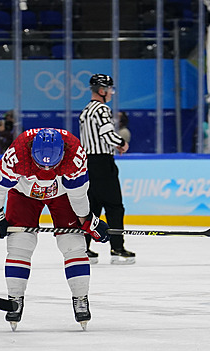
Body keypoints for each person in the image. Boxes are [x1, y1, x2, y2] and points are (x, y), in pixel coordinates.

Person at [0, 128, 110, 331]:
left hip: (63, 194)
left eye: (52, 165)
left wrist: (88, 221)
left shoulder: (75, 153)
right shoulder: (18, 153)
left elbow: (78, 195)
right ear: (31, 151)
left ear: (63, 153)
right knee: (20, 245)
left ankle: (80, 297)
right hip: (23, 193)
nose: (46, 171)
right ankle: (15, 298)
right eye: (40, 164)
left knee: (73, 245)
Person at [79, 73, 135, 265]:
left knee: (91, 207)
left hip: (87, 163)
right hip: (102, 163)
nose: (111, 92)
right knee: (114, 206)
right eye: (110, 89)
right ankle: (117, 248)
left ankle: (83, 248)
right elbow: (107, 133)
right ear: (101, 91)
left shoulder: (85, 110)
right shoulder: (102, 109)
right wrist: (121, 143)